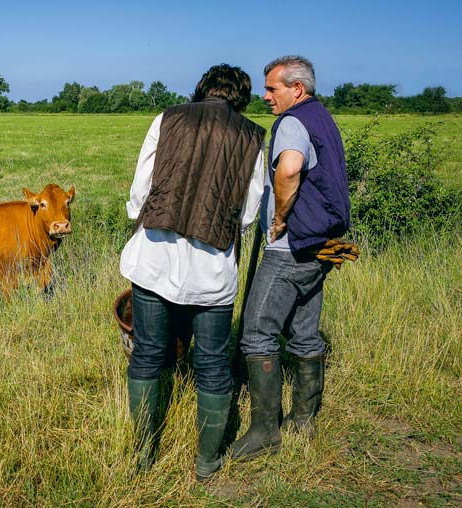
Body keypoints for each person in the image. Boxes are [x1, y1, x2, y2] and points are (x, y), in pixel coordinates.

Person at [120, 64, 266, 481]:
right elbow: (250, 212)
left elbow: (139, 191)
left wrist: (148, 218)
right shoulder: (253, 135)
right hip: (213, 267)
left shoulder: (168, 117)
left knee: (148, 353)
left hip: (154, 257)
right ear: (241, 97)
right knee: (215, 364)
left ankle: (143, 456)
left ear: (202, 89)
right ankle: (206, 463)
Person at [230, 56, 351, 460]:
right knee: (304, 332)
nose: (266, 96)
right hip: (319, 246)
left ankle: (265, 432)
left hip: (290, 248)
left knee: (257, 333)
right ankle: (303, 421)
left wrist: (279, 219)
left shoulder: (293, 123)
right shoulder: (322, 117)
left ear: (296, 89)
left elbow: (289, 171)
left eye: (273, 88)